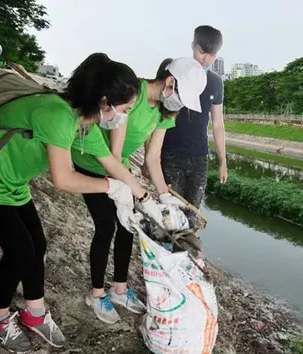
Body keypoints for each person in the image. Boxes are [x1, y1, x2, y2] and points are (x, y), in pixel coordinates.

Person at [0, 53, 165, 353]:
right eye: (125, 109)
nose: (124, 117)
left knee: (37, 243)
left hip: (10, 181)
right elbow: (63, 179)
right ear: (105, 101)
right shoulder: (57, 115)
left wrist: (145, 199)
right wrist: (111, 188)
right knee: (20, 250)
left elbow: (113, 164)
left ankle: (35, 313)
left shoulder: (83, 123)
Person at [71, 57, 207, 324]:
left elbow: (152, 158)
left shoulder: (164, 113)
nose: (179, 103)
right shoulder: (131, 94)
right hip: (93, 164)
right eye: (180, 95)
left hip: (119, 169)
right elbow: (114, 154)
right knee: (106, 226)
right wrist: (136, 193)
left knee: (129, 227)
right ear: (170, 82)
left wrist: (164, 195)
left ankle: (120, 289)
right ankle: (97, 294)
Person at [157, 25, 227, 219]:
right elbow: (157, 114)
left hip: (199, 157)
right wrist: (151, 157)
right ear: (193, 46)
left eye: (212, 55)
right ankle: (167, 247)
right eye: (202, 52)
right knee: (171, 212)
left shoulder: (215, 82)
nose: (206, 59)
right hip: (171, 153)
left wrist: (223, 161)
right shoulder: (176, 72)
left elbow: (218, 124)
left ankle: (187, 248)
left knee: (192, 214)